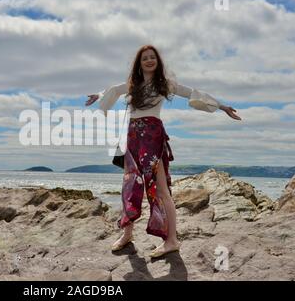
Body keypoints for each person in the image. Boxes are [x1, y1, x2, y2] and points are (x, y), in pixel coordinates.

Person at [85, 44, 241, 258]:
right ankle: (127, 234)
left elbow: (193, 93)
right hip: (131, 138)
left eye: (152, 57)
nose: (149, 60)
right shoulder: (133, 84)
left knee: (161, 190)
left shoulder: (164, 84)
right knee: (129, 186)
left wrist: (222, 106)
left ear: (157, 61)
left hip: (152, 136)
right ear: (139, 64)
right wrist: (97, 95)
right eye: (144, 58)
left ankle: (172, 240)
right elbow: (113, 90)